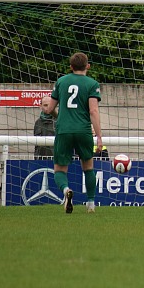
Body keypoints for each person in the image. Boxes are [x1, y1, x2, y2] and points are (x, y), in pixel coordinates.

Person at [44, 52, 103, 214]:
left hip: (63, 130)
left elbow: (49, 109)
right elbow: (93, 111)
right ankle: (90, 203)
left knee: (60, 169)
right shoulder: (92, 84)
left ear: (71, 67)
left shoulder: (61, 82)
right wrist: (99, 137)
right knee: (88, 167)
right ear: (88, 66)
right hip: (83, 131)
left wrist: (47, 108)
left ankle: (66, 191)